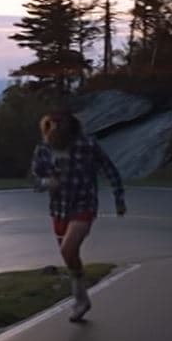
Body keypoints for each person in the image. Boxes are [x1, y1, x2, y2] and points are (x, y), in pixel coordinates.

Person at [31, 110, 126, 323]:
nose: (54, 130)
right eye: (51, 126)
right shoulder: (43, 150)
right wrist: (48, 183)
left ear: (70, 128)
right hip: (59, 209)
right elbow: (35, 181)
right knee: (69, 257)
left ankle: (80, 299)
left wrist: (119, 197)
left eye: (59, 125)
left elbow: (109, 169)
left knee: (68, 249)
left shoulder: (87, 146)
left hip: (84, 205)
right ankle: (82, 298)